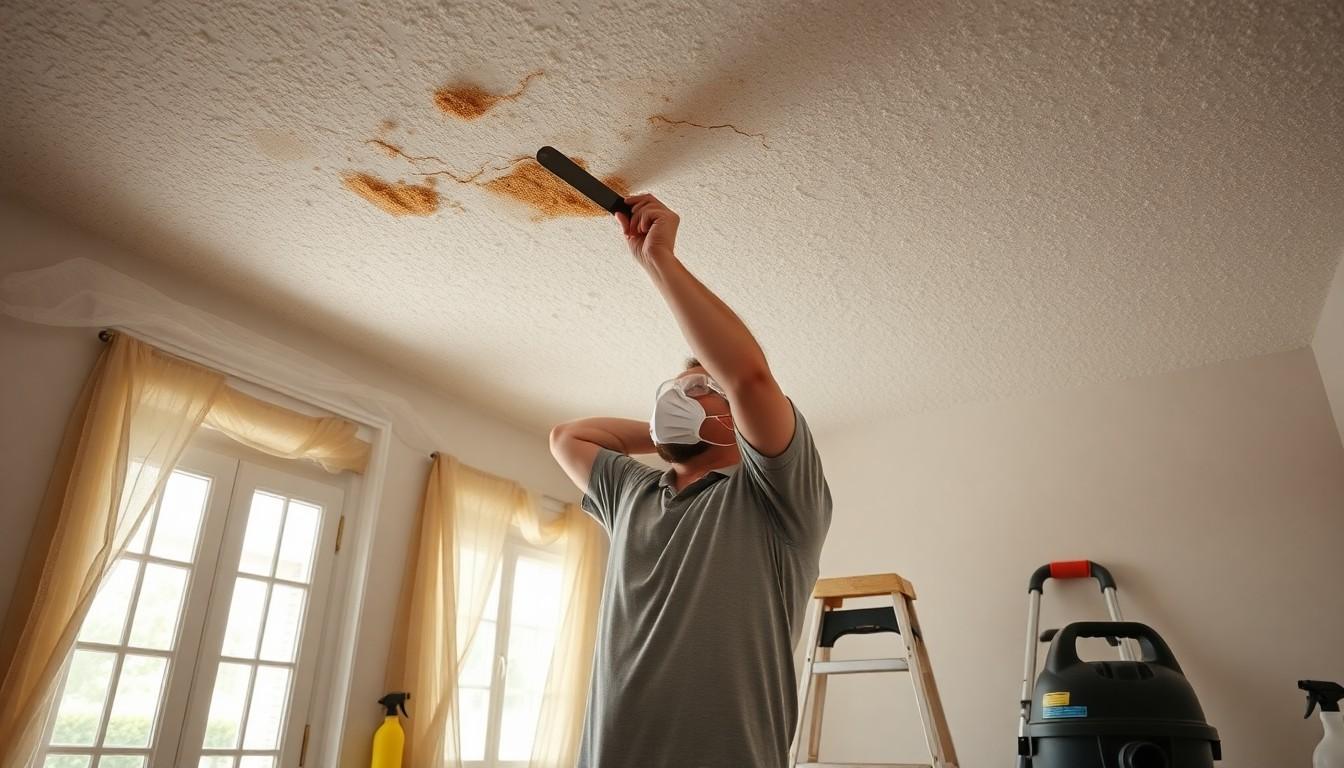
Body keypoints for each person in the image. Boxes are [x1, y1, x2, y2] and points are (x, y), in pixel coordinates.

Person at [549, 193, 833, 767]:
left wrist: (661, 261)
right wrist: (668, 434)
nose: (682, 395)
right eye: (674, 390)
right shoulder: (633, 492)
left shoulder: (774, 498)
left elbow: (749, 377)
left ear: (740, 420)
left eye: (702, 388)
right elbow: (568, 438)